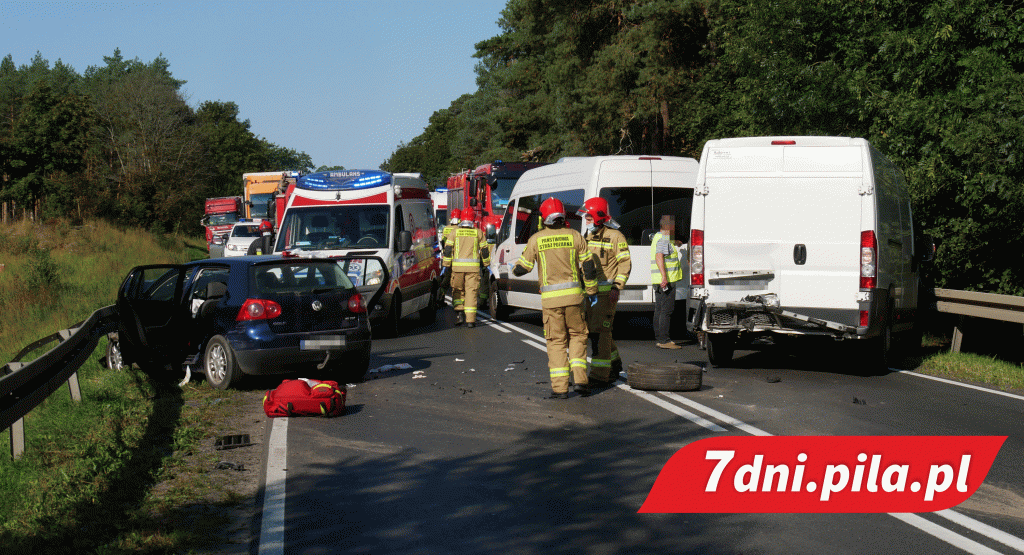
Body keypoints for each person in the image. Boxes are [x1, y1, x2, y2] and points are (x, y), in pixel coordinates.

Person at [512, 198, 599, 399]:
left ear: (544, 218)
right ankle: (581, 381)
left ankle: (560, 389)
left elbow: (522, 268)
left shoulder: (536, 239)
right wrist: (592, 292)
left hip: (551, 302)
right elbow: (588, 267)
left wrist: (513, 269)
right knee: (577, 337)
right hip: (575, 299)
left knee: (556, 342)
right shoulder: (575, 236)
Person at [578, 197, 631, 384]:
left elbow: (625, 264)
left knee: (599, 332)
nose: (586, 222)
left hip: (607, 294)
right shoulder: (588, 236)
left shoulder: (616, 236)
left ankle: (600, 375)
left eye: (589, 219)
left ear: (599, 218)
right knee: (599, 331)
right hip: (590, 293)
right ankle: (615, 363)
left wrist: (617, 287)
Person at [446, 216, 491, 327]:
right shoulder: (478, 233)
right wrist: (486, 264)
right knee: (471, 292)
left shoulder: (454, 232)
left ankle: (460, 314)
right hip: (473, 269)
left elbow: (447, 250)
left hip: (457, 269)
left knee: (458, 290)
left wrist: (446, 265)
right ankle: (470, 321)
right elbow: (484, 251)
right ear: (473, 220)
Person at [651, 214, 684, 349]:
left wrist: (676, 242)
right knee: (666, 310)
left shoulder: (658, 237)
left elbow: (664, 249)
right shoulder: (664, 239)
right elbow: (659, 256)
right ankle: (665, 341)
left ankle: (660, 339)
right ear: (668, 226)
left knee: (659, 310)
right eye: (673, 226)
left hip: (659, 280)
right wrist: (664, 277)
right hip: (666, 280)